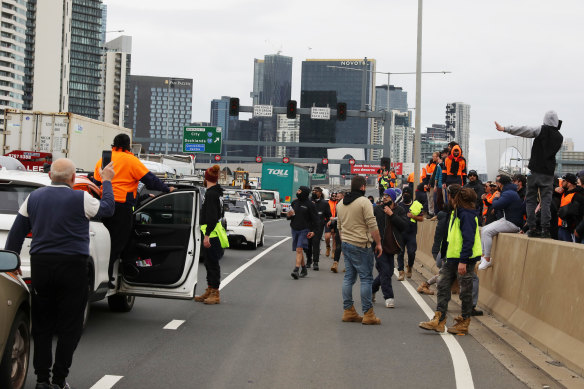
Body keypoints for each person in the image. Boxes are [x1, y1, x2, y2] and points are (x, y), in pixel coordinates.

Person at [5, 158, 115, 389]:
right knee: (70, 326)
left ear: (49, 176)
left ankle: (42, 380)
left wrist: (13, 260)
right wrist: (106, 182)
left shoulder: (33, 198)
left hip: (42, 266)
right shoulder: (81, 198)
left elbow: (16, 234)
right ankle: (59, 379)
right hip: (73, 267)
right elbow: (108, 209)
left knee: (42, 325)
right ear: (73, 179)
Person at [93, 134, 173, 288]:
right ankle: (109, 277)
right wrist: (166, 189)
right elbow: (150, 180)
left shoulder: (103, 159)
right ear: (128, 146)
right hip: (121, 208)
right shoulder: (131, 161)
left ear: (113, 144)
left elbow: (96, 181)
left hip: (102, 205)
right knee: (117, 243)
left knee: (103, 242)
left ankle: (102, 275)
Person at [418, 187, 482, 335]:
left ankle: (463, 322)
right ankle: (439, 319)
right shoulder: (456, 213)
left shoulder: (467, 215)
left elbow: (468, 239)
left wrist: (464, 261)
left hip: (463, 259)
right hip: (452, 258)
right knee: (442, 286)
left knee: (465, 292)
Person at [495, 111, 564, 238]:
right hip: (548, 174)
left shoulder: (541, 129)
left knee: (531, 200)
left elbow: (524, 130)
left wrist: (505, 129)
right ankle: (545, 230)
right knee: (546, 202)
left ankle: (532, 228)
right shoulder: (560, 137)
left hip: (534, 171)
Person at [337, 175, 383, 325]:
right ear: (363, 187)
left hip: (347, 244)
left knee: (349, 278)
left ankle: (348, 311)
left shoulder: (340, 203)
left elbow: (339, 227)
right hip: (362, 245)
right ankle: (368, 314)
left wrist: (344, 243)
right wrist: (379, 243)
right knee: (366, 278)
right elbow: (372, 224)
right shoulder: (364, 202)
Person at [194, 165, 228, 304]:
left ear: (206, 178)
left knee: (213, 263)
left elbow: (212, 217)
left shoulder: (211, 194)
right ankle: (209, 289)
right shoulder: (216, 192)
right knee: (208, 263)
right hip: (213, 231)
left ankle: (215, 293)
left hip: (212, 234)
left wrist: (207, 235)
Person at [372, 188, 409, 308]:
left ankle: (372, 288)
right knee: (385, 271)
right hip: (379, 246)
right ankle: (389, 297)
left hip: (392, 246)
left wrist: (391, 215)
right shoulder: (377, 209)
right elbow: (369, 223)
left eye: (387, 196)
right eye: (384, 195)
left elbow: (404, 226)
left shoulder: (400, 210)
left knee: (386, 272)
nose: (385, 197)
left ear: (393, 198)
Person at [478, 175, 524, 270]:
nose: (496, 184)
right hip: (508, 219)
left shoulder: (508, 193)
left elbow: (497, 205)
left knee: (487, 232)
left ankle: (487, 258)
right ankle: (483, 256)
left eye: (497, 182)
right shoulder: (509, 192)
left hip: (512, 223)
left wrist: (496, 198)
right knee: (484, 229)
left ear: (501, 184)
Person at [287, 186, 317, 279]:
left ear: (304, 192)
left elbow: (315, 220)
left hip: (305, 229)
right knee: (298, 250)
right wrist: (289, 215)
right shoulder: (294, 202)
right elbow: (290, 216)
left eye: (299, 190)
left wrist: (313, 231)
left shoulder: (310, 204)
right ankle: (304, 268)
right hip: (294, 228)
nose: (297, 191)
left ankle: (296, 270)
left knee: (299, 249)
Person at [396, 187, 424, 280]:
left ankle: (410, 267)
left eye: (407, 194)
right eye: (404, 194)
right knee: (400, 253)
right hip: (401, 233)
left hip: (411, 233)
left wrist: (413, 216)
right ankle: (401, 271)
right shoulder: (399, 205)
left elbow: (421, 218)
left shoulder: (416, 205)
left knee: (411, 252)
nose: (405, 195)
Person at [305, 187, 331, 270]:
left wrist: (326, 222)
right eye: (313, 191)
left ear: (320, 193)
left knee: (315, 244)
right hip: (308, 226)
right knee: (308, 244)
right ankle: (309, 260)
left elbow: (328, 215)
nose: (314, 192)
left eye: (316, 191)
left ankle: (316, 262)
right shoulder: (308, 201)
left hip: (318, 227)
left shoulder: (324, 203)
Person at [556, 173, 584, 242]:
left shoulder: (577, 195)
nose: (562, 182)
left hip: (570, 230)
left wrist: (576, 228)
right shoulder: (563, 192)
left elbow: (578, 213)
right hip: (560, 227)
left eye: (564, 181)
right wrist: (555, 189)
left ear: (569, 183)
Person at [330, 191, 344, 273]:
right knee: (342, 247)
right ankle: (335, 264)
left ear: (342, 197)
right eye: (337, 196)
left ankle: (335, 264)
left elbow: (340, 217)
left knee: (341, 247)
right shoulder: (338, 204)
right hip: (341, 228)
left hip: (344, 229)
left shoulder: (340, 204)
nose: (337, 198)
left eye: (338, 196)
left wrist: (333, 219)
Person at [424, 152, 439, 217]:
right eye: (433, 156)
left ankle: (433, 212)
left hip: (434, 184)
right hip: (430, 184)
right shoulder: (429, 165)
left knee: (433, 199)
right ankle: (431, 212)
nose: (433, 157)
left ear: (438, 157)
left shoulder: (438, 165)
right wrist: (426, 184)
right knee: (430, 198)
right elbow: (426, 175)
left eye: (434, 156)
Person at [325, 192, 337, 257]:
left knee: (334, 237)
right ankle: (328, 247)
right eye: (333, 196)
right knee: (327, 237)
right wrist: (328, 219)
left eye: (335, 196)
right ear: (331, 196)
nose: (334, 197)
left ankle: (333, 251)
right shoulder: (327, 203)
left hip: (336, 221)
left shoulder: (338, 203)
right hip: (328, 221)